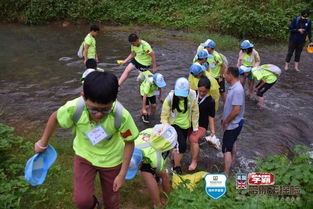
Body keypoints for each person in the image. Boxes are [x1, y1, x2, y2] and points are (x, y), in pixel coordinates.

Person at [34, 71, 139, 209]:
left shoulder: (121, 116)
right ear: (83, 97)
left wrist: (122, 173)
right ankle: (94, 205)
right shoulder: (74, 108)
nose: (99, 114)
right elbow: (55, 117)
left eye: (105, 110)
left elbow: (129, 142)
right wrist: (43, 142)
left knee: (112, 201)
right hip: (84, 157)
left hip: (112, 160)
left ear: (114, 100)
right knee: (82, 201)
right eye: (94, 109)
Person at [127, 124, 178, 208]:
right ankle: (155, 184)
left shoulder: (157, 161)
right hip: (152, 133)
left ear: (142, 160)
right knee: (146, 171)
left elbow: (164, 176)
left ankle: (163, 201)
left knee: (158, 174)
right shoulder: (130, 144)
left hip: (168, 140)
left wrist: (166, 198)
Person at [160, 77, 199, 175]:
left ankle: (174, 158)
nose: (181, 97)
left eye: (183, 95)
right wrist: (166, 128)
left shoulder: (192, 95)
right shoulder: (170, 98)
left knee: (178, 146)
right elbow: (164, 116)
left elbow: (195, 112)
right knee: (182, 146)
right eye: (179, 95)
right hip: (174, 124)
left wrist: (195, 127)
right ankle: (176, 167)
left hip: (186, 125)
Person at [188, 76, 216, 171]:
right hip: (189, 122)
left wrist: (212, 130)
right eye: (200, 91)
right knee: (187, 139)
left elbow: (211, 116)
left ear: (208, 90)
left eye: (204, 91)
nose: (202, 93)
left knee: (193, 139)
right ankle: (194, 154)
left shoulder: (210, 101)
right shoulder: (192, 94)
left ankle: (194, 161)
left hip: (201, 125)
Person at [222, 67, 245, 176]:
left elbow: (236, 110)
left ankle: (226, 173)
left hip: (233, 124)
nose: (224, 76)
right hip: (233, 123)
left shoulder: (237, 90)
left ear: (230, 75)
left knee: (226, 148)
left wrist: (226, 121)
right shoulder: (234, 87)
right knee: (232, 143)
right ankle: (233, 160)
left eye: (225, 74)